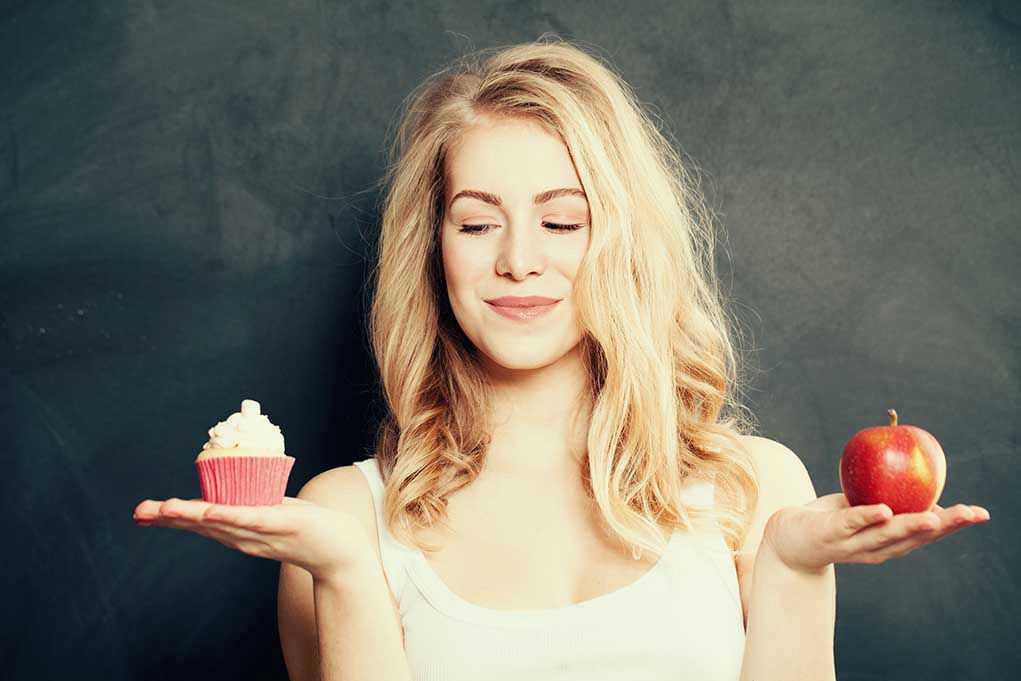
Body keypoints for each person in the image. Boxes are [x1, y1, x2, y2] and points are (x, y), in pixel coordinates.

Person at [133, 35, 990, 681]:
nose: (516, 260)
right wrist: (349, 573)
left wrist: (794, 566)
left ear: (620, 241)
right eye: (476, 222)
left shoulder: (752, 491)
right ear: (431, 250)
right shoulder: (340, 520)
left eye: (561, 219)